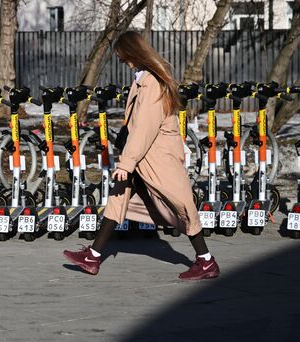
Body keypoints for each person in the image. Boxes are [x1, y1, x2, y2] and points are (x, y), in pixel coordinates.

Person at [63, 31, 220, 281]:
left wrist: (126, 163)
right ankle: (93, 256)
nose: (121, 60)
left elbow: (144, 128)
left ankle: (206, 261)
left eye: (121, 55)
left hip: (157, 156)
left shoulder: (152, 83)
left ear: (131, 53)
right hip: (143, 155)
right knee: (118, 197)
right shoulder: (143, 80)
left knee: (182, 205)